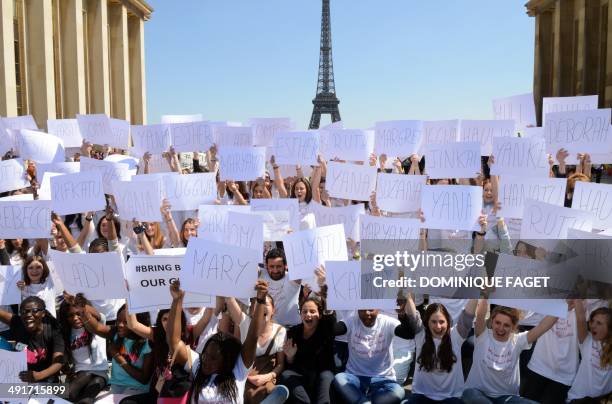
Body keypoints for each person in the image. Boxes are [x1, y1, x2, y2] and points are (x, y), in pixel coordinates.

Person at [166, 279, 269, 404]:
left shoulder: (239, 370)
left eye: (214, 358)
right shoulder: (198, 365)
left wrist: (260, 301)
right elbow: (175, 343)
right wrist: (177, 300)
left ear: (228, 360)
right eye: (205, 355)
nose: (206, 360)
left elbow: (252, 337)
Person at [462, 300, 558, 404]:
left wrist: (562, 306)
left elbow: (543, 327)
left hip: (506, 398)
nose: (501, 328)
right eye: (497, 323)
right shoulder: (482, 335)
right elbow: (481, 315)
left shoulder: (518, 341)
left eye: (506, 325)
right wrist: (485, 294)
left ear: (513, 327)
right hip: (476, 394)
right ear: (492, 322)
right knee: (471, 397)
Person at [332, 300, 415, 404]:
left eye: (371, 309)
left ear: (378, 309)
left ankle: (361, 400)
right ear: (357, 310)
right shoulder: (351, 321)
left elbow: (408, 334)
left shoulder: (387, 322)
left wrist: (403, 314)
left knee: (398, 392)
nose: (367, 313)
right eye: (362, 310)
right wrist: (328, 309)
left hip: (383, 379)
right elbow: (333, 330)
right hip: (355, 376)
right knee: (339, 378)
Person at [403, 296, 477, 403]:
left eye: (442, 322)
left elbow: (468, 315)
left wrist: (478, 292)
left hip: (451, 398)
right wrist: (408, 295)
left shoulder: (456, 336)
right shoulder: (420, 335)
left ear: (448, 322)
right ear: (427, 322)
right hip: (422, 396)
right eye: (433, 321)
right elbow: (412, 315)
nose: (438, 326)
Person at [80, 304, 154, 395]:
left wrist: (117, 356)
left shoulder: (147, 342)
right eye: (118, 320)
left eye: (126, 322)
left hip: (138, 388)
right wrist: (82, 310)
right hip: (116, 385)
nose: (120, 325)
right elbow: (96, 328)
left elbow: (144, 379)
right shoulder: (116, 333)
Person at [522, 300, 580, 404]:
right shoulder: (549, 302)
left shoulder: (586, 307)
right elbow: (522, 319)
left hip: (564, 375)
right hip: (538, 367)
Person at [0, 296, 64, 383]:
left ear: (43, 313)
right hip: (20, 380)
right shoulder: (17, 323)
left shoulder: (54, 331)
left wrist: (38, 376)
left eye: (34, 310)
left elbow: (58, 362)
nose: (28, 315)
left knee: (65, 391)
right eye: (24, 311)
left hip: (46, 380)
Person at [59, 294, 108, 404]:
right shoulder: (67, 332)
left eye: (78, 314)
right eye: (70, 315)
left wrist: (78, 303)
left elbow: (98, 315)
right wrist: (69, 373)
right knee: (69, 394)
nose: (75, 318)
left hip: (100, 373)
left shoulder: (97, 325)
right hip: (81, 373)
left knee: (86, 400)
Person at [566, 303, 612, 402]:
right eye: (592, 321)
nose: (593, 326)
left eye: (599, 323)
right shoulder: (588, 340)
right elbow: (581, 318)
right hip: (577, 399)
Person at [260, 248, 302, 327]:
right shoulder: (262, 274)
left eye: (278, 266)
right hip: (270, 329)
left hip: (292, 327)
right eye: (271, 266)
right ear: (266, 266)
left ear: (286, 266)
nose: (275, 270)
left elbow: (301, 259)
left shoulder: (293, 278)